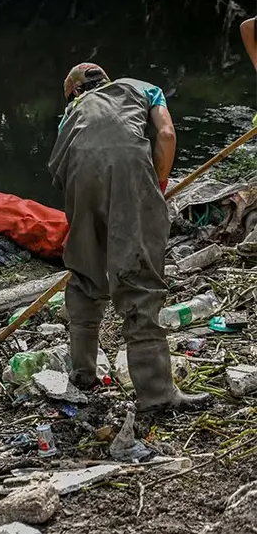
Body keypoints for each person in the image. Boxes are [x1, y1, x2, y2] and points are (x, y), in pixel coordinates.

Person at [47, 63, 210, 412]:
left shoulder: (70, 115)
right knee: (138, 277)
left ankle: (83, 375)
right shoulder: (142, 88)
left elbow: (60, 168)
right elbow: (165, 135)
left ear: (73, 93)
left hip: (79, 179)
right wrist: (158, 185)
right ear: (107, 80)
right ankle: (156, 394)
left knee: (85, 270)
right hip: (129, 173)